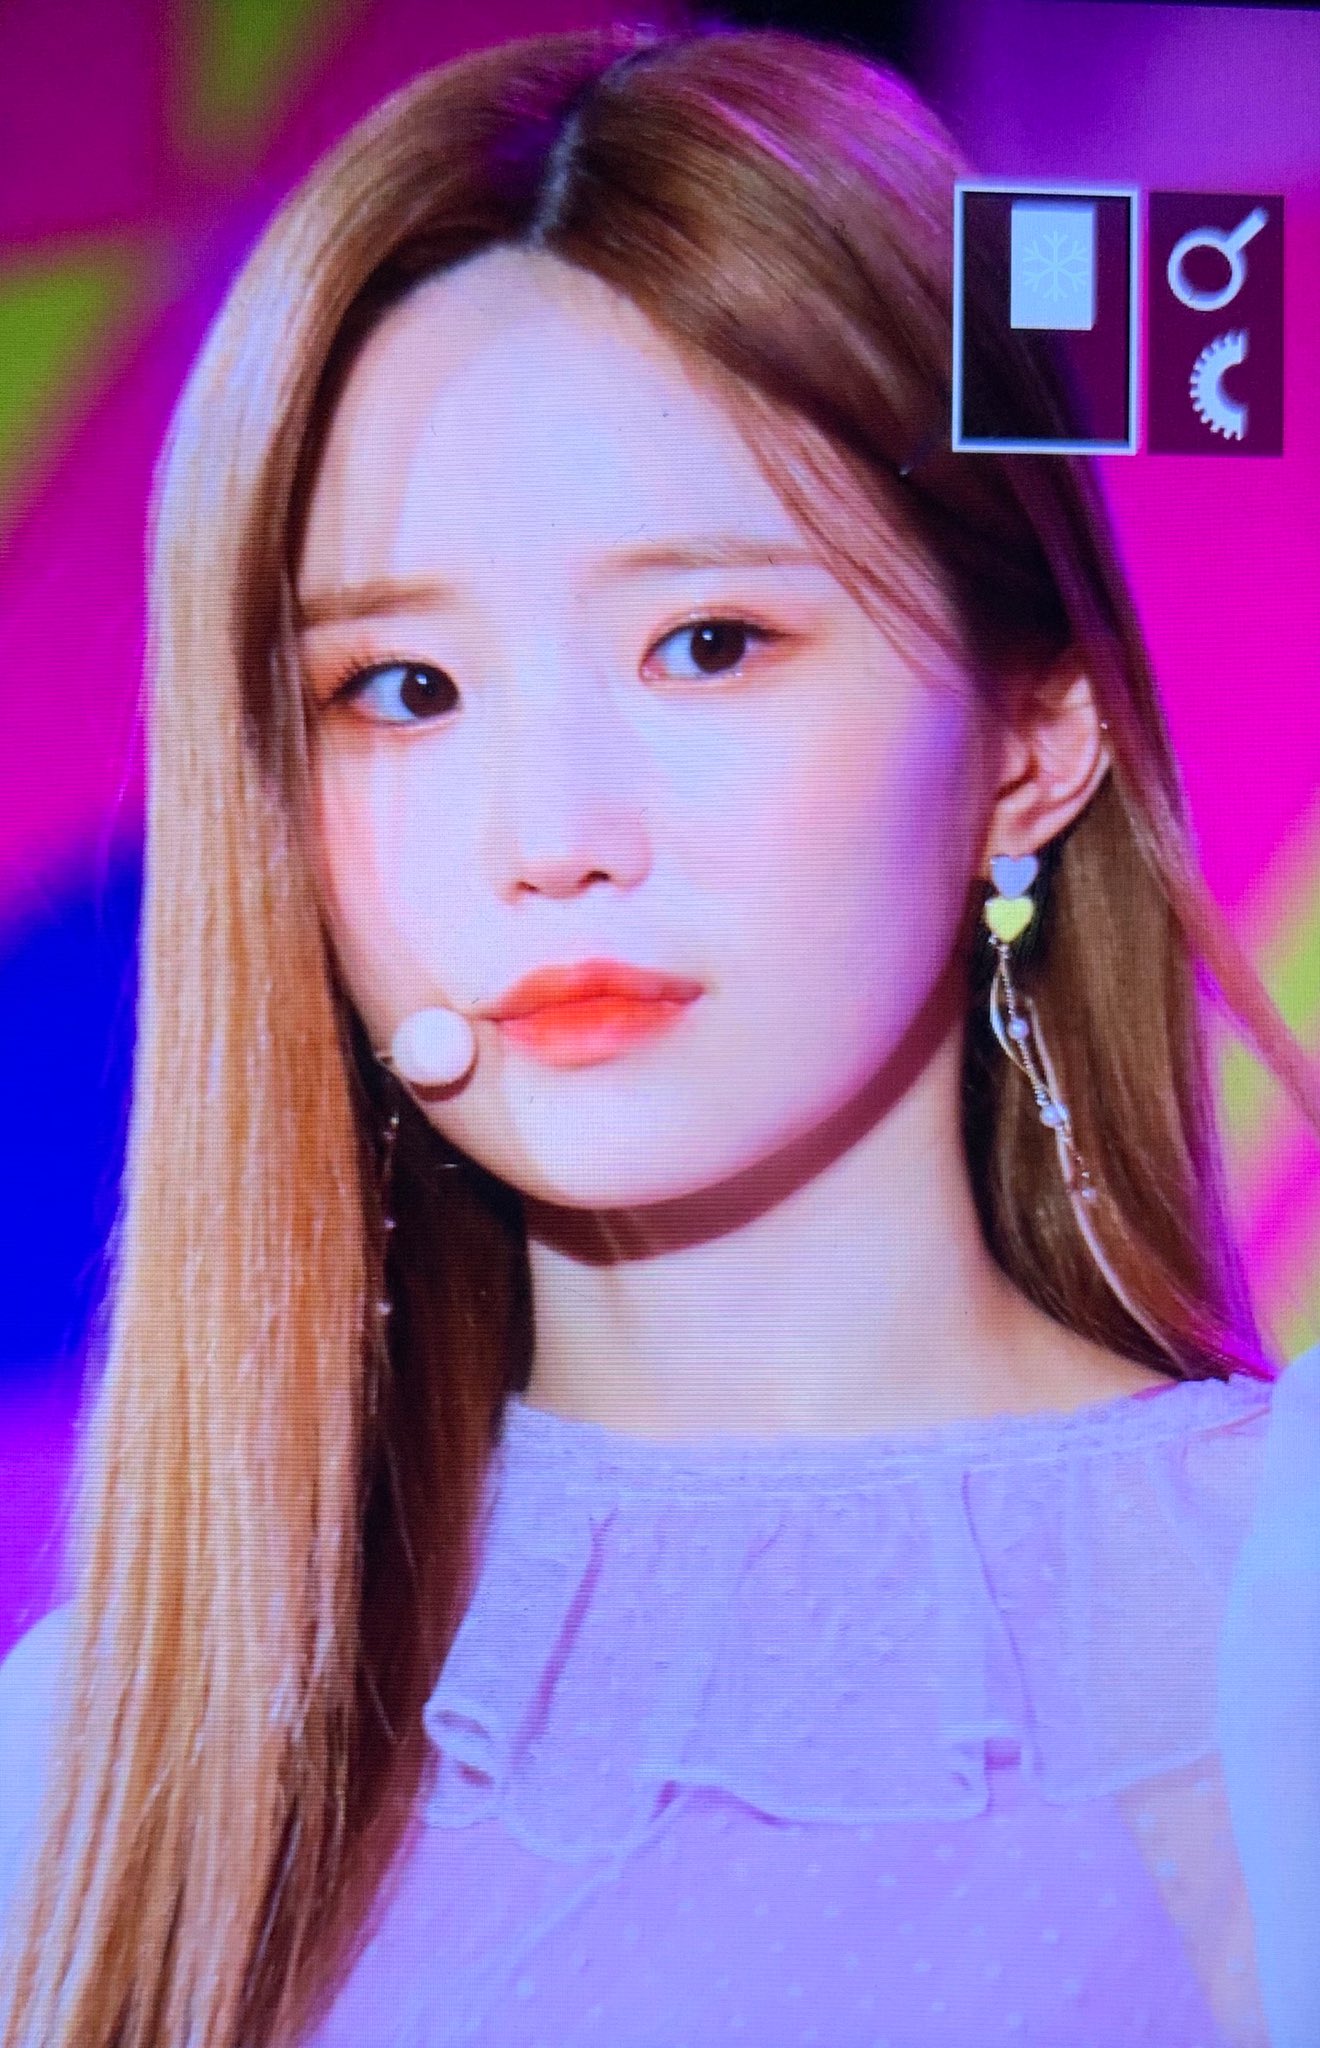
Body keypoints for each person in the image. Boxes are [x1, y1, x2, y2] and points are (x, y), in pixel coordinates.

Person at [0, 19, 1317, 2048]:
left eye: (708, 644)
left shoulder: (1270, 1606)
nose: (553, 839)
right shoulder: (95, 1756)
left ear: (1034, 738)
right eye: (404, 689)